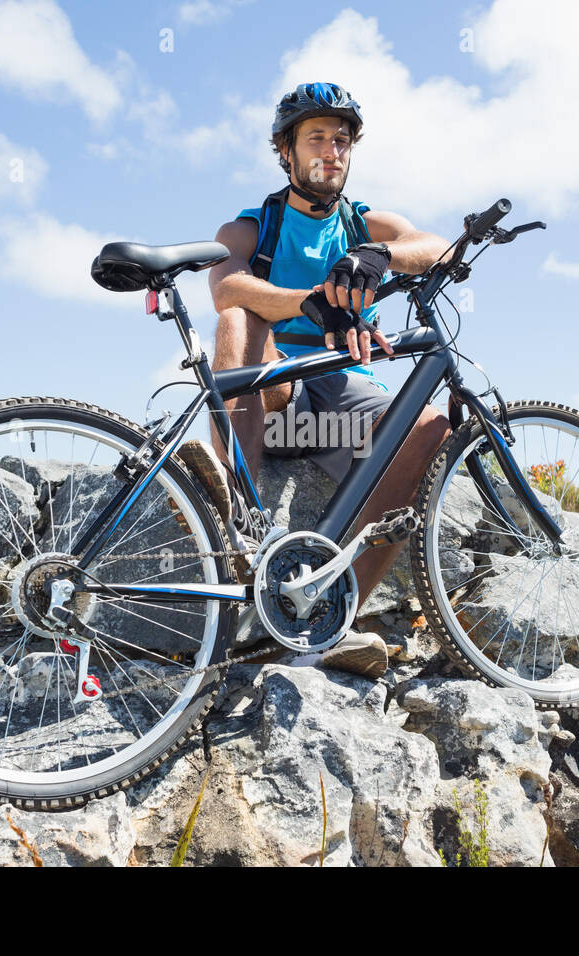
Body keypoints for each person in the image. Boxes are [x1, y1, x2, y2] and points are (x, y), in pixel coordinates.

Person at [191, 82, 453, 678]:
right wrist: (308, 300)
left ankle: (333, 617)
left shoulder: (363, 222)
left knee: (431, 428)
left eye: (342, 140)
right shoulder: (253, 227)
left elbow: (433, 247)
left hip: (343, 394)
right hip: (277, 389)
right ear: (286, 150)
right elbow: (226, 289)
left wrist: (381, 257)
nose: (331, 151)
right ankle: (238, 519)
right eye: (317, 138)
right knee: (239, 319)